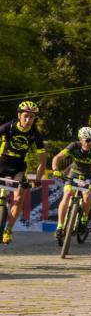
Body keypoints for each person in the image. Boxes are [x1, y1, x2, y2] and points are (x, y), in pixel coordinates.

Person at [0, 101, 47, 243]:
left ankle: (8, 230)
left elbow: (42, 162)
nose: (28, 120)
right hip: (1, 163)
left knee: (19, 197)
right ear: (19, 115)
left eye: (32, 117)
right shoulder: (9, 126)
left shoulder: (35, 134)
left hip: (18, 167)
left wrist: (38, 179)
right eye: (25, 116)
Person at [52, 127, 91, 242]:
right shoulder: (74, 146)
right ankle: (60, 226)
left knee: (88, 195)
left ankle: (84, 220)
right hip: (74, 174)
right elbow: (58, 157)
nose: (90, 143)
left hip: (89, 176)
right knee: (67, 193)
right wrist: (55, 169)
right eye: (87, 140)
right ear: (80, 139)